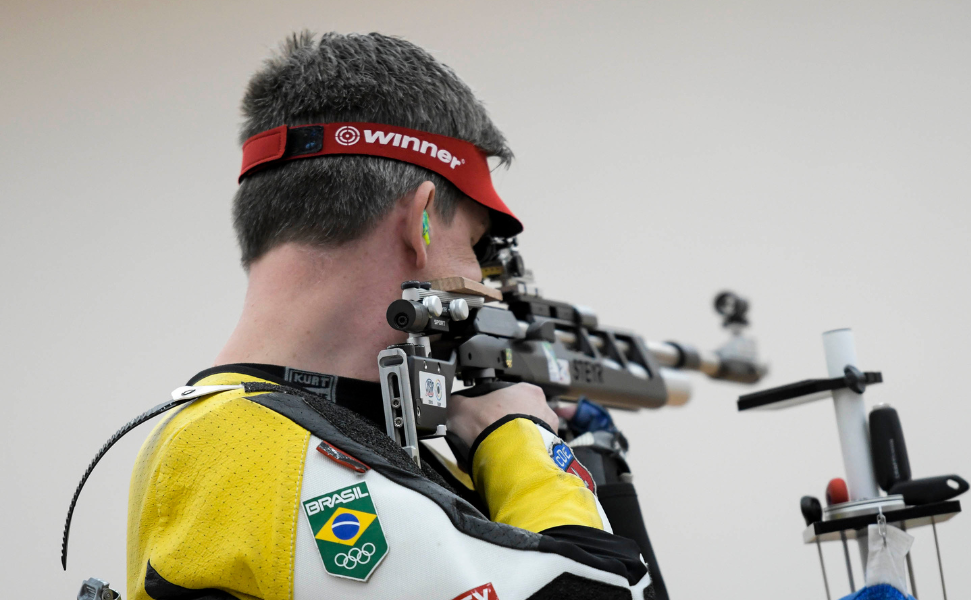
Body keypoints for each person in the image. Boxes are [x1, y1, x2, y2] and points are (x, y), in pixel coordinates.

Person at [127, 31, 652, 600]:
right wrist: (521, 442)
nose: (483, 284)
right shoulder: (242, 447)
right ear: (420, 222)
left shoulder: (308, 436)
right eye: (475, 245)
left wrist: (590, 467)